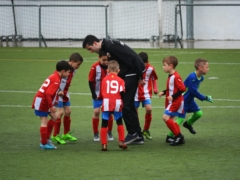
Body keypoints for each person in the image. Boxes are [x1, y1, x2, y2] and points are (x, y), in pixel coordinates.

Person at [82, 35, 145, 145]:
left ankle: (132, 132)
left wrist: (140, 76)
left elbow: (133, 57)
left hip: (132, 73)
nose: (91, 52)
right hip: (130, 73)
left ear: (95, 43)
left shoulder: (111, 46)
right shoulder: (108, 45)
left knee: (124, 103)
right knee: (129, 104)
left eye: (90, 49)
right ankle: (138, 135)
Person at [166, 58, 212, 141]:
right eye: (207, 67)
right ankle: (170, 136)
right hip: (183, 100)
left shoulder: (201, 78)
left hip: (190, 100)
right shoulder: (192, 77)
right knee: (180, 119)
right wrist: (205, 97)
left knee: (199, 113)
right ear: (200, 68)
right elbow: (193, 91)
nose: (208, 69)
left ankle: (188, 124)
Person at [32, 60, 71, 150]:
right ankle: (44, 143)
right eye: (68, 72)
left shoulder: (55, 75)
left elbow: (50, 92)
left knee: (54, 117)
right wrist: (51, 106)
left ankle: (46, 138)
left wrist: (56, 98)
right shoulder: (57, 80)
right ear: (63, 71)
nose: (69, 74)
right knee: (44, 121)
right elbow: (48, 94)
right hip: (42, 101)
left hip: (43, 100)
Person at [51, 53, 83, 145]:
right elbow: (56, 77)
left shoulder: (73, 70)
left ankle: (66, 134)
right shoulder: (63, 67)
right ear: (72, 62)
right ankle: (55, 135)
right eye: (78, 64)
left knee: (68, 112)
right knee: (59, 113)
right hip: (58, 92)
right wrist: (58, 90)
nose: (79, 67)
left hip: (65, 92)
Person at [100, 60, 128, 151]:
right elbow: (122, 93)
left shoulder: (104, 79)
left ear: (107, 70)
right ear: (118, 71)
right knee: (119, 121)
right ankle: (121, 141)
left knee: (104, 123)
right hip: (117, 102)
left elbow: (103, 92)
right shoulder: (121, 80)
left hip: (107, 102)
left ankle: (104, 144)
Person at [158, 56, 186, 146]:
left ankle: (178, 136)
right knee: (172, 120)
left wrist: (173, 96)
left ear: (171, 66)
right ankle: (177, 136)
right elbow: (172, 88)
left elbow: (183, 88)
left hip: (176, 101)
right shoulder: (171, 76)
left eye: (164, 65)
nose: (163, 67)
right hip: (172, 101)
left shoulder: (176, 76)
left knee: (165, 117)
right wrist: (164, 92)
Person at [88, 51, 114, 142]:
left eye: (107, 60)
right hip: (97, 95)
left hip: (108, 95)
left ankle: (109, 132)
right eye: (103, 60)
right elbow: (90, 81)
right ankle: (96, 133)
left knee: (109, 113)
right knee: (96, 112)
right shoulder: (95, 67)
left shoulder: (111, 67)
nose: (106, 62)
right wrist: (93, 94)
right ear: (99, 58)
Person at [134, 52, 158, 141]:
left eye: (143, 63)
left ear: (147, 62)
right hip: (135, 93)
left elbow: (154, 79)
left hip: (146, 93)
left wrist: (155, 88)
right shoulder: (134, 68)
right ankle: (137, 131)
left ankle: (146, 130)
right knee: (134, 113)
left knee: (149, 109)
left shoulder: (151, 69)